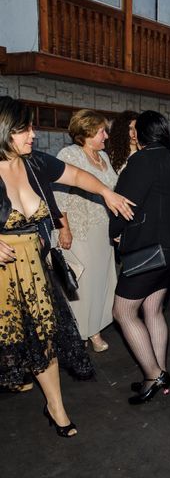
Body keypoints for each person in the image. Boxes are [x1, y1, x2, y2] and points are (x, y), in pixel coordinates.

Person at [0, 96, 133, 436]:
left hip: (32, 270)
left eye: (32, 127)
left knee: (44, 338)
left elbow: (75, 176)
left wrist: (106, 192)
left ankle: (56, 407)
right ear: (3, 131)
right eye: (24, 129)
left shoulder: (34, 164)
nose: (34, 134)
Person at [110, 110, 170, 405]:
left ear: (139, 134)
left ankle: (154, 375)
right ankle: (159, 373)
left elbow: (123, 205)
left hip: (148, 251)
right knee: (153, 310)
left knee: (123, 312)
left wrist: (115, 231)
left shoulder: (141, 161)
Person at [53, 109, 118, 352]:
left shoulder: (104, 157)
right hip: (78, 230)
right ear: (87, 132)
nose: (106, 136)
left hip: (102, 229)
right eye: (102, 131)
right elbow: (59, 195)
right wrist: (64, 229)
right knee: (81, 286)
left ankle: (95, 330)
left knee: (102, 283)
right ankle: (77, 335)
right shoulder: (69, 154)